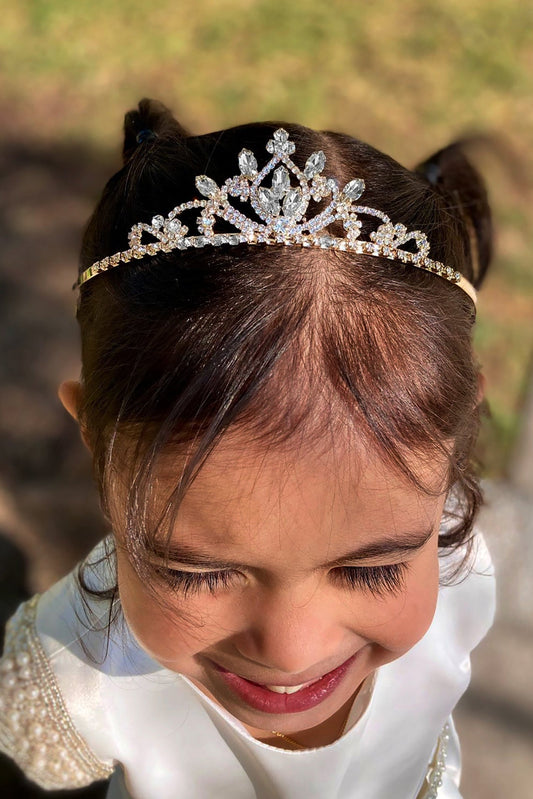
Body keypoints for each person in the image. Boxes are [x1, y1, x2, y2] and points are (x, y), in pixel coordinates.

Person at [0, 98, 496, 799]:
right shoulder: (66, 679)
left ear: (451, 446)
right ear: (92, 435)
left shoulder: (460, 565)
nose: (290, 650)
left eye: (371, 570)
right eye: (196, 573)